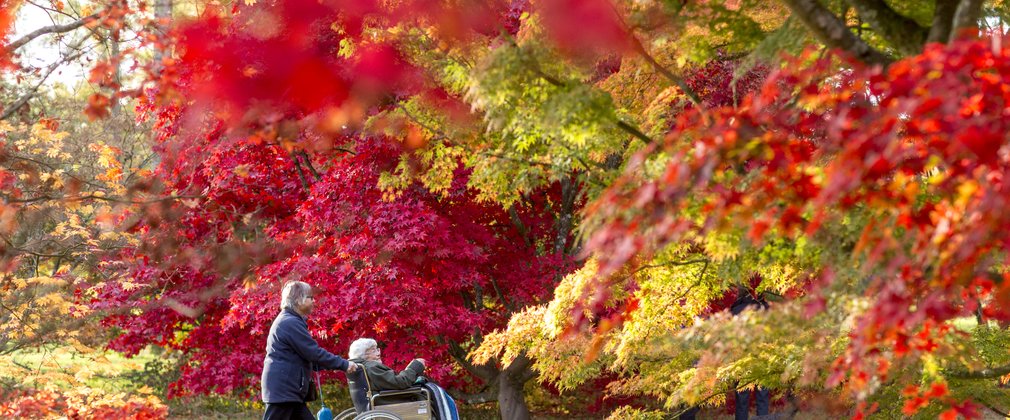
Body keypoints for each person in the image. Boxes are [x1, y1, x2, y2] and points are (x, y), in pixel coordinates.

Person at [262, 281, 359, 420]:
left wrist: (334, 365)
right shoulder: (289, 322)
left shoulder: (291, 321)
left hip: (289, 392)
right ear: (298, 299)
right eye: (310, 297)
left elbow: (308, 357)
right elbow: (313, 353)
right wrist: (344, 364)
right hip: (283, 392)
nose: (314, 301)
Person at [348, 338, 459, 420]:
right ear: (363, 355)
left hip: (384, 404)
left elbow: (393, 381)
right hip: (392, 404)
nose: (378, 353)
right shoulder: (371, 367)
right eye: (373, 351)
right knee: (432, 392)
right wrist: (416, 366)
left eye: (377, 349)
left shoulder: (361, 368)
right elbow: (400, 382)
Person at [730, 285, 770, 420]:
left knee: (741, 398)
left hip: (741, 357)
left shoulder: (735, 310)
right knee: (763, 395)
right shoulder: (765, 310)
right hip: (762, 355)